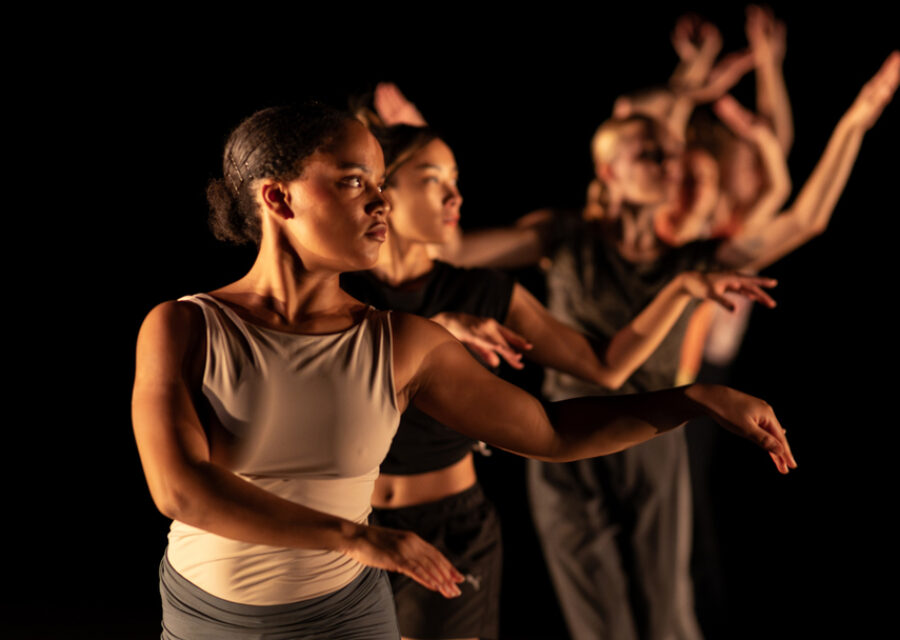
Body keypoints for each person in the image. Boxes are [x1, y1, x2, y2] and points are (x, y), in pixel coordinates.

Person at [132, 102, 796, 640]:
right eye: (352, 180)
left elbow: (550, 432)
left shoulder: (403, 343)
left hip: (347, 613)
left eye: (384, 184)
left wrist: (691, 400)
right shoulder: (185, 327)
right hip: (208, 616)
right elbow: (180, 491)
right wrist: (359, 538)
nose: (380, 204)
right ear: (277, 199)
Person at [437, 51, 899, 640]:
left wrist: (854, 121)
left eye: (670, 154)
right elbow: (456, 250)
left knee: (666, 615)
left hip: (649, 437)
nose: (666, 163)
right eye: (647, 154)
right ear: (608, 173)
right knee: (597, 621)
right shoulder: (567, 234)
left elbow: (804, 220)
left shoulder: (693, 261)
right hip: (563, 438)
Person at [340, 120, 778, 640]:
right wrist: (434, 330)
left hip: (450, 528)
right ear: (381, 187)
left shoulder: (485, 291)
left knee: (660, 604)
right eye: (435, 178)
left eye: (456, 177)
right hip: (351, 527)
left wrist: (682, 297)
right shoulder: (339, 291)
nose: (457, 194)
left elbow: (605, 366)